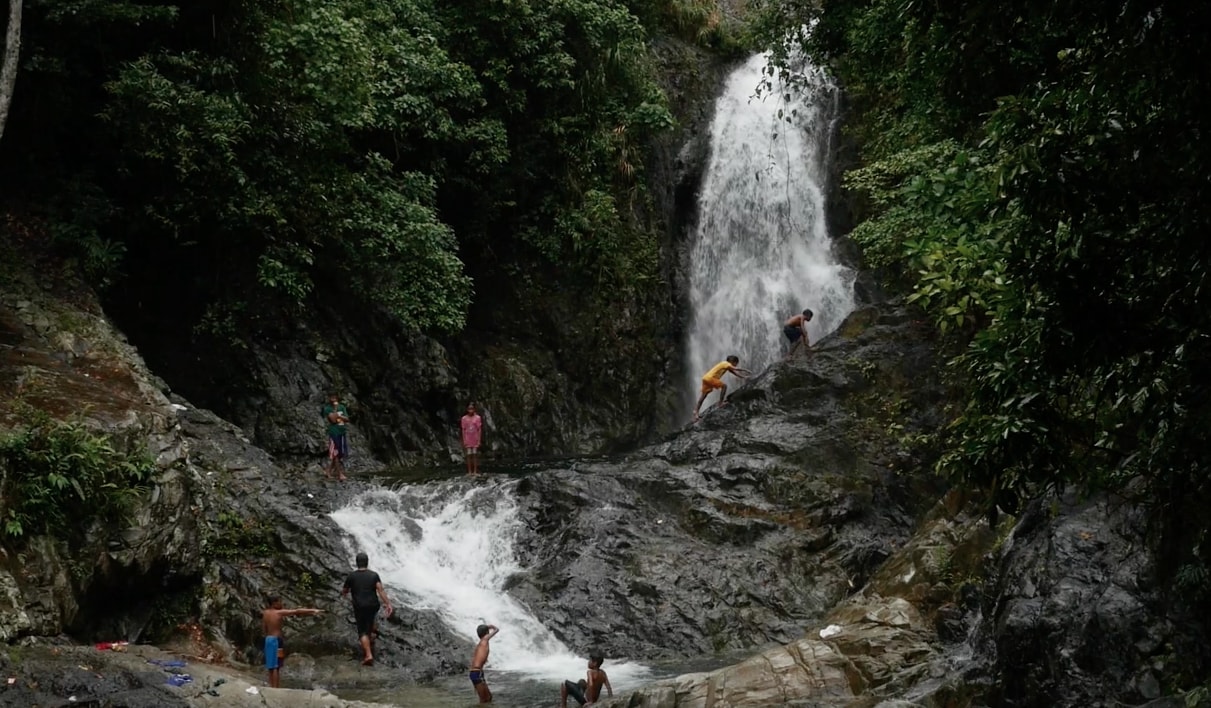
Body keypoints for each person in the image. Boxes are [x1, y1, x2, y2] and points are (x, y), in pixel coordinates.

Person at [341, 552, 393, 666]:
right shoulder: (374, 575)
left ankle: (368, 655)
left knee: (362, 631)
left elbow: (345, 591)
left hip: (360, 606)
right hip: (373, 605)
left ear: (356, 563)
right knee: (370, 619)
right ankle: (372, 636)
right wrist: (388, 604)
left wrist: (346, 596)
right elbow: (380, 590)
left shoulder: (351, 576)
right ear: (367, 562)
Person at [261, 596, 322, 688]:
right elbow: (296, 611)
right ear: (274, 603)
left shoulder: (265, 613)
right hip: (276, 641)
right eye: (279, 602)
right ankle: (276, 688)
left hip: (268, 639)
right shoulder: (279, 613)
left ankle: (271, 686)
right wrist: (313, 610)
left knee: (270, 666)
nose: (281, 604)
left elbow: (264, 628)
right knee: (276, 667)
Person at [692, 355, 750, 422]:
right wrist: (746, 370)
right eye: (736, 363)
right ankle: (721, 403)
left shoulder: (725, 365)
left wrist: (743, 377)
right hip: (711, 378)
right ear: (733, 362)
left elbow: (734, 372)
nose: (736, 365)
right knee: (724, 386)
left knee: (704, 395)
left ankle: (696, 411)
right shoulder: (726, 363)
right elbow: (735, 369)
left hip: (705, 378)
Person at [321, 392, 350, 481]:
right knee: (335, 453)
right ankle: (339, 474)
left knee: (340, 453)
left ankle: (328, 471)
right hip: (334, 433)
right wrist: (338, 414)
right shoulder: (327, 408)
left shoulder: (342, 407)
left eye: (334, 397)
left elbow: (347, 419)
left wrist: (338, 415)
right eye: (331, 397)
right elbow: (333, 420)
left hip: (342, 432)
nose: (333, 399)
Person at [469, 623, 499, 703]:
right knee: (484, 699)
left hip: (477, 673)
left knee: (488, 698)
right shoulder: (484, 640)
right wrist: (491, 626)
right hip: (476, 673)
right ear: (486, 633)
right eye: (487, 631)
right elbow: (496, 630)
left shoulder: (481, 643)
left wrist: (485, 628)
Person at [460, 402, 484, 475]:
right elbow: (463, 430)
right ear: (467, 409)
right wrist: (464, 440)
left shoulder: (477, 418)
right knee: (469, 455)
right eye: (469, 409)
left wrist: (479, 440)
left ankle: (475, 471)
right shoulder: (464, 418)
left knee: (474, 454)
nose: (471, 410)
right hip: (468, 438)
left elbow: (479, 429)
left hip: (475, 438)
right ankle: (469, 471)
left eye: (472, 409)